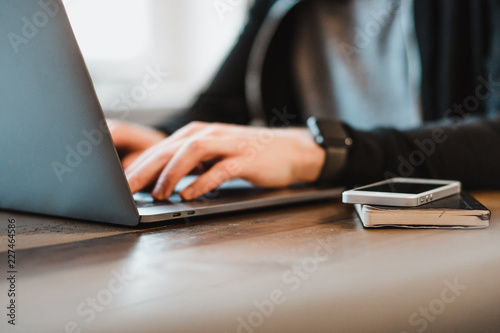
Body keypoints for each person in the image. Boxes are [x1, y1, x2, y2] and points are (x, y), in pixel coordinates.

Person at [109, 0, 500, 201]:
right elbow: (219, 109)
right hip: (327, 235)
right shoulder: (281, 6)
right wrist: (159, 140)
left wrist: (324, 151)